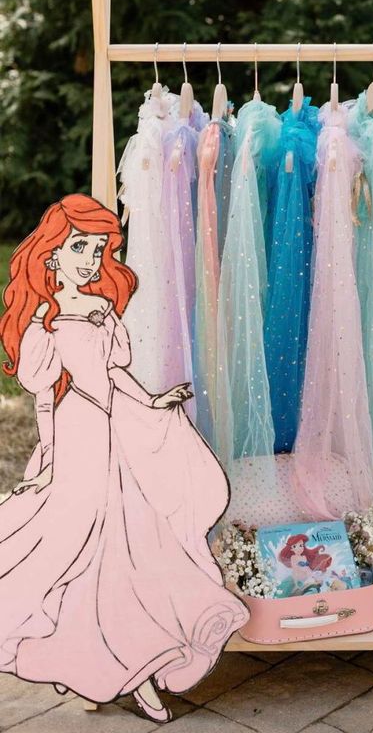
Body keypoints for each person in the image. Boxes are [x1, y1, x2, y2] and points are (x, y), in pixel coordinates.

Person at [0, 195, 248, 723]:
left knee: (134, 546)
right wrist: (45, 459)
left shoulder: (104, 309)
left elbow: (114, 375)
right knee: (84, 551)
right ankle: (105, 670)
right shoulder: (45, 319)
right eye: (78, 247)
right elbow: (45, 394)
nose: (90, 258)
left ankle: (116, 669)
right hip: (77, 432)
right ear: (51, 256)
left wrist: (152, 402)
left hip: (119, 430)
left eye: (96, 248)